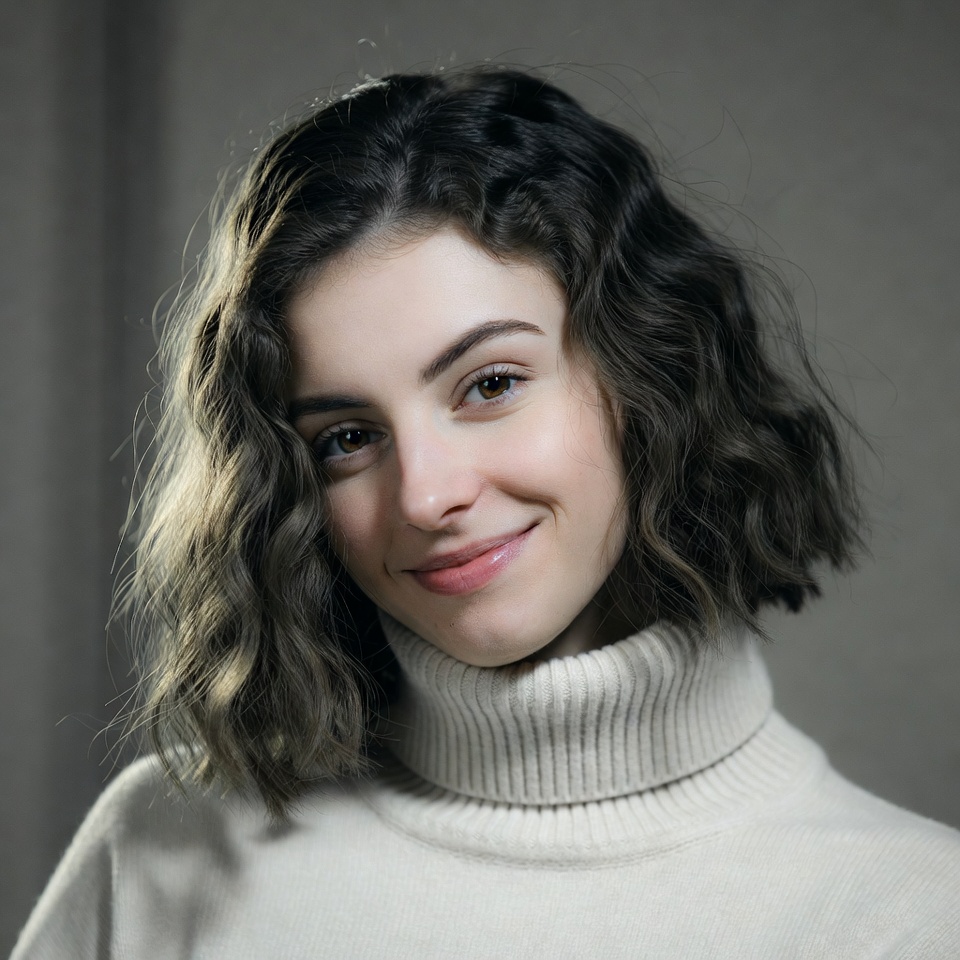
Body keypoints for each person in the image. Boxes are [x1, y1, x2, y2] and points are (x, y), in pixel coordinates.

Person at [13, 67, 960, 959]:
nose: (427, 496)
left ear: (651, 372)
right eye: (346, 438)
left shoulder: (911, 915)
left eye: (490, 384)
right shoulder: (165, 851)